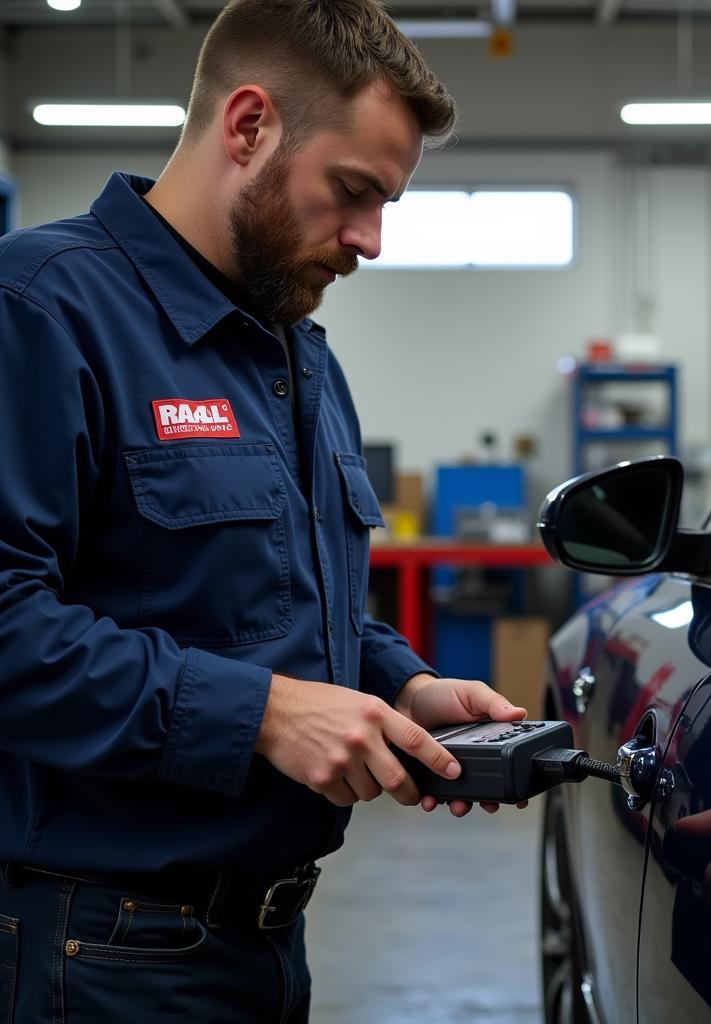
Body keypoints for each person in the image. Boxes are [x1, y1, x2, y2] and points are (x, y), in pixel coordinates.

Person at [0, 2, 528, 1021]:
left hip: (265, 948)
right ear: (248, 126)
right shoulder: (40, 310)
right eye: (354, 192)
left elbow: (279, 605)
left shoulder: (295, 353)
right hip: (94, 956)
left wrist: (400, 683)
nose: (371, 240)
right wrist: (262, 715)